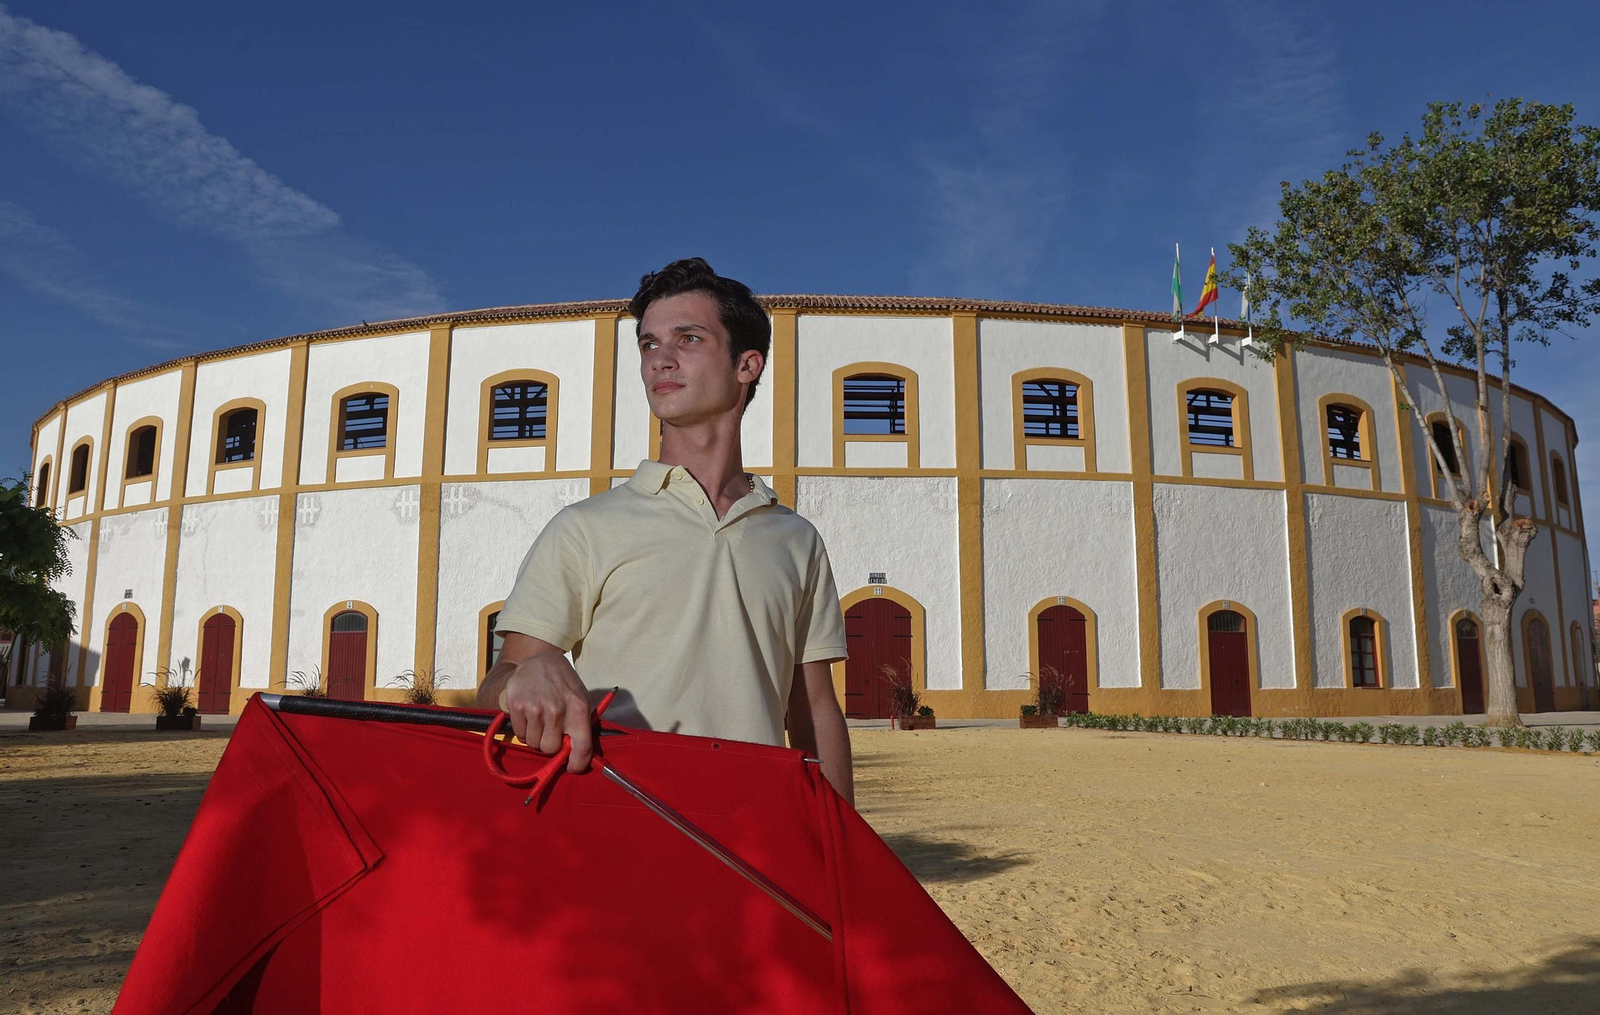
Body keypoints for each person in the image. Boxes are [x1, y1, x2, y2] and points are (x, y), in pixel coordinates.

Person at [478, 258, 854, 802]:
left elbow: (815, 708)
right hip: (624, 826)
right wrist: (521, 677)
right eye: (649, 344)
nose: (660, 359)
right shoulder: (585, 527)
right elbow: (498, 681)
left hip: (756, 830)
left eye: (689, 338)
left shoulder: (796, 539)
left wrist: (841, 839)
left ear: (747, 365)